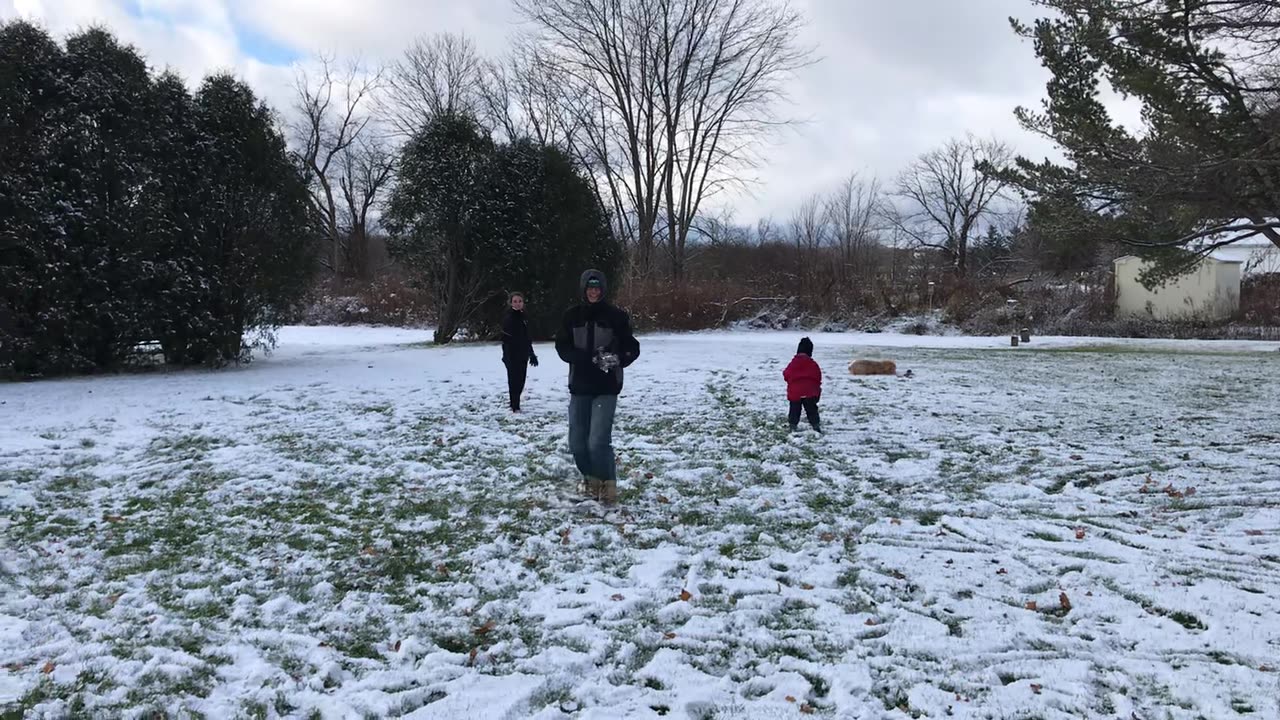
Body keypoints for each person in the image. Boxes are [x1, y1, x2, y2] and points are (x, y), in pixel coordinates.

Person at [554, 269, 640, 505]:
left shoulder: (616, 317)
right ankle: (591, 479)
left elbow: (632, 347)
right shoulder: (571, 316)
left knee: (598, 441)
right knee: (577, 443)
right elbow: (562, 347)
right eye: (590, 288)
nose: (594, 292)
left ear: (603, 290)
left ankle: (608, 485)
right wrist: (582, 357)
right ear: (583, 289)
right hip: (580, 386)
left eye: (598, 288)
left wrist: (617, 359)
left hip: (606, 386)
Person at [501, 291, 538, 412]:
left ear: (523, 303)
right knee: (514, 380)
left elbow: (527, 338)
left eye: (520, 301)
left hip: (523, 354)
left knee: (521, 379)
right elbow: (506, 339)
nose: (517, 304)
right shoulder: (508, 318)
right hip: (511, 354)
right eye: (515, 301)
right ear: (511, 303)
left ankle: (516, 402)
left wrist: (531, 354)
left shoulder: (525, 317)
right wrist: (507, 356)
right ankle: (514, 405)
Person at [783, 337, 821, 432]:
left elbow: (786, 374)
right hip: (810, 391)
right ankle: (815, 424)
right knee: (811, 409)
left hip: (795, 392)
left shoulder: (793, 363)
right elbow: (818, 376)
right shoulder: (813, 364)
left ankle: (793, 425)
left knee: (794, 409)